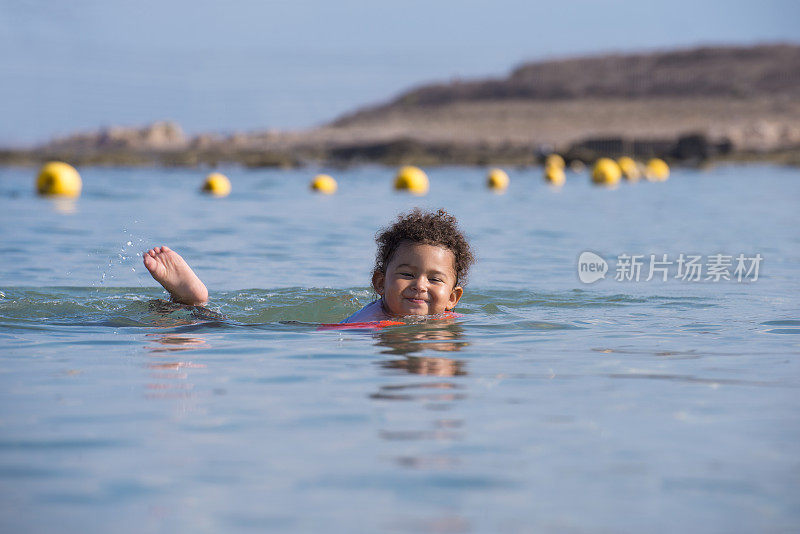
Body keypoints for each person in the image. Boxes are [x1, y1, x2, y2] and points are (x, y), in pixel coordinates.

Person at [143, 208, 475, 323]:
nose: (419, 284)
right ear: (379, 283)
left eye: (435, 279)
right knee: (221, 327)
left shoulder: (452, 322)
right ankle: (195, 304)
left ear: (453, 298)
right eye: (406, 274)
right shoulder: (374, 325)